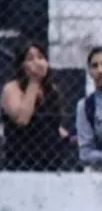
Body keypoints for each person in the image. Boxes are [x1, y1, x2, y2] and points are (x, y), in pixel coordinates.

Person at [1, 42, 71, 171]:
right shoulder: (11, 88)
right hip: (22, 160)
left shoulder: (51, 89)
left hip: (53, 161)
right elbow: (22, 119)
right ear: (22, 65)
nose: (37, 62)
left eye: (40, 57)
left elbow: (51, 123)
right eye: (30, 59)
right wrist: (34, 80)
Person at [76, 46, 102, 171]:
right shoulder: (86, 106)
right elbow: (85, 154)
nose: (100, 70)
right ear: (90, 72)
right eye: (94, 66)